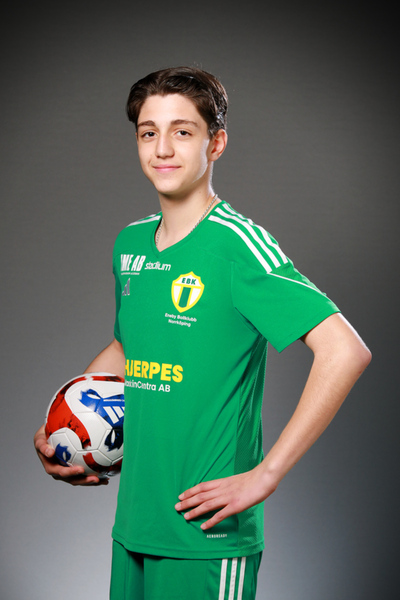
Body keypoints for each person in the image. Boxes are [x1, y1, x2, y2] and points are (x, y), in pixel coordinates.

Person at [34, 66, 371, 600]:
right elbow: (127, 349)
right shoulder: (130, 244)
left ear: (216, 144)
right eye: (149, 132)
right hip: (135, 524)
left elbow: (345, 350)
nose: (163, 149)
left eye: (183, 131)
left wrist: (266, 474)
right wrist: (64, 430)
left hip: (208, 538)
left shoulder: (237, 245)